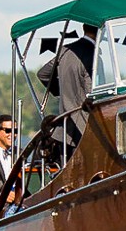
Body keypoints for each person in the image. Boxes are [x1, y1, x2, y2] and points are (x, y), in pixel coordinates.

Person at [35, 24, 96, 161]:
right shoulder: (93, 53)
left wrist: (61, 92)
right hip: (86, 129)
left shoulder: (65, 50)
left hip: (64, 128)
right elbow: (92, 93)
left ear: (84, 28)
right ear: (100, 31)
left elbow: (43, 74)